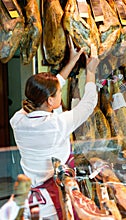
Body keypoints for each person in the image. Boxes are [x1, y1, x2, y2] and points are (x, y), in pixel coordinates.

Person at [10, 36, 100, 220]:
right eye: (58, 92)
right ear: (50, 100)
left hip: (31, 198)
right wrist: (90, 71)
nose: (60, 91)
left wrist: (72, 61)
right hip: (53, 198)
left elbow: (47, 91)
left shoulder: (17, 120)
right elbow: (89, 103)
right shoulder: (58, 124)